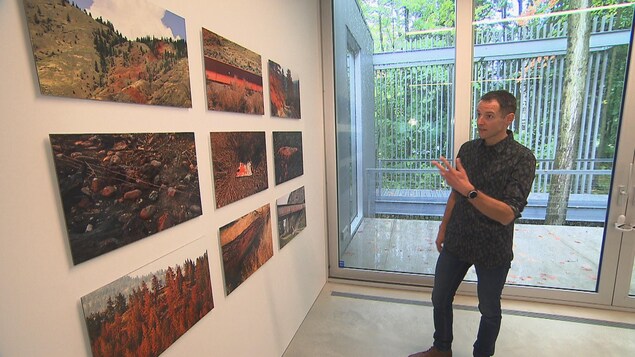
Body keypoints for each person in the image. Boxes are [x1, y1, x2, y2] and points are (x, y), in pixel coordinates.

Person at [409, 90, 536, 357]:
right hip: (458, 238)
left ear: (508, 119)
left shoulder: (522, 158)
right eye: (479, 114)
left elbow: (507, 213)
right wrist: (443, 228)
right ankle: (442, 348)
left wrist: (470, 190)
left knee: (489, 309)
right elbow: (456, 193)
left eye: (489, 116)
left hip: (493, 246)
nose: (480, 121)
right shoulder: (467, 150)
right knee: (440, 296)